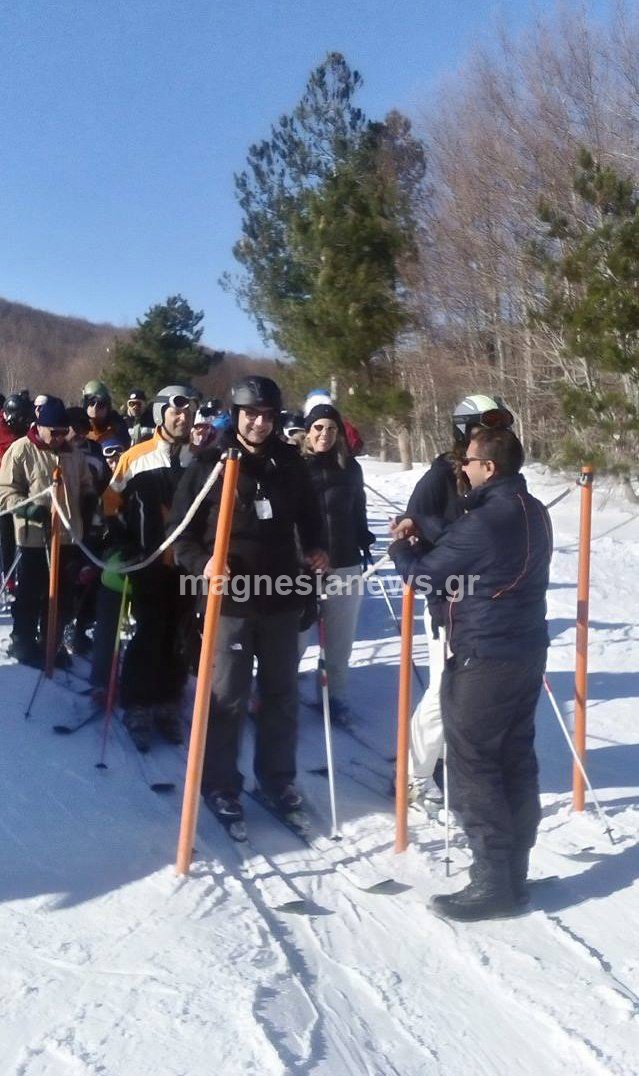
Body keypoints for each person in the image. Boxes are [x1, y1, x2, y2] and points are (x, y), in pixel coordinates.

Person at [389, 427, 552, 922]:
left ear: (490, 468)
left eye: (471, 461)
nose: (463, 467)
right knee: (514, 760)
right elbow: (470, 545)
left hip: (484, 655)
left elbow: (424, 574)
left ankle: (491, 882)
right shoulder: (533, 510)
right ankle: (512, 873)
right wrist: (428, 534)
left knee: (474, 766)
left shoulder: (486, 520)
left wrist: (401, 548)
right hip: (525, 652)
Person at [171, 375, 328, 825]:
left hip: (280, 599)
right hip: (230, 604)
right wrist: (203, 564)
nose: (259, 423)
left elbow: (311, 520)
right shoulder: (209, 464)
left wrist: (317, 548)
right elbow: (179, 536)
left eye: (267, 415)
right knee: (228, 698)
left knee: (280, 695)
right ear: (236, 415)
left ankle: (277, 778)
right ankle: (221, 783)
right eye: (251, 414)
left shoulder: (290, 465)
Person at [390, 393, 515, 809]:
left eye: (498, 430)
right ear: (464, 431)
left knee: (474, 695)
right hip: (449, 600)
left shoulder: (500, 478)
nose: (493, 437)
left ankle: (453, 760)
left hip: (490, 603)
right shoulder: (439, 478)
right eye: (484, 429)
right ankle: (413, 774)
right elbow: (411, 533)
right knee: (446, 692)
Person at [104, 384, 197, 751]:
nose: (183, 417)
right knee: (148, 632)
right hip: (148, 562)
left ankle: (168, 701)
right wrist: (124, 544)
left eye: (189, 411)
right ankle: (138, 703)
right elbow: (110, 505)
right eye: (176, 411)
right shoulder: (136, 457)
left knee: (180, 636)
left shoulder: (200, 459)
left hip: (187, 567)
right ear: (161, 414)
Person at [0, 396, 94, 667]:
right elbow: (6, 490)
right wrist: (24, 508)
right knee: (32, 592)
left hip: (68, 536)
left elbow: (86, 482)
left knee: (63, 595)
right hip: (34, 537)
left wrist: (89, 499)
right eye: (54, 433)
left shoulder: (73, 453)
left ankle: (51, 641)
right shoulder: (21, 450)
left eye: (64, 433)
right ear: (40, 427)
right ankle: (24, 639)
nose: (59, 438)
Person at [299, 402, 375, 719]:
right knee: (294, 639)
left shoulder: (350, 468)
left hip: (344, 561)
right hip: (303, 565)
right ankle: (271, 693)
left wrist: (364, 538)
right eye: (318, 428)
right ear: (308, 431)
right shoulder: (295, 466)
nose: (325, 435)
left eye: (331, 429)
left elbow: (358, 509)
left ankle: (334, 696)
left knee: (340, 640)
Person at [0, 392, 35, 582]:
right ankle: (9, 577)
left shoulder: (22, 433)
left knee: (19, 535)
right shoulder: (5, 432)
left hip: (22, 487)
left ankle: (17, 576)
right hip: (4, 489)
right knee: (6, 536)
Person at [82, 380, 130, 448]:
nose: (95, 408)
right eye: (91, 403)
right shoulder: (78, 428)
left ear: (108, 407)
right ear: (85, 405)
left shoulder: (117, 426)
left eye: (101, 404)